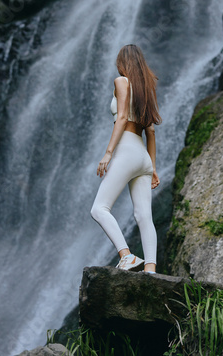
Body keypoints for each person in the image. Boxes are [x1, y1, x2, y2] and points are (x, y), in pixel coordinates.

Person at [91, 44, 162, 274]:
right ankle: (150, 269)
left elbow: (121, 118)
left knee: (99, 209)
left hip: (126, 149)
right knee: (144, 216)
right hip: (142, 155)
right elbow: (150, 132)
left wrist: (108, 153)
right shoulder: (146, 90)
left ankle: (126, 255)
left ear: (123, 63)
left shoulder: (121, 82)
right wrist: (152, 167)